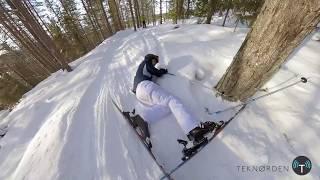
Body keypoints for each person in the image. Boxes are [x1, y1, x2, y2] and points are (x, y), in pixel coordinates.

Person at [132, 54, 217, 142]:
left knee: (167, 106)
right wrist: (161, 71)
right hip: (145, 86)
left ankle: (142, 117)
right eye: (155, 61)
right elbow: (152, 69)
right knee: (172, 100)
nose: (156, 63)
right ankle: (193, 129)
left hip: (140, 94)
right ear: (151, 58)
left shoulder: (141, 73)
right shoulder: (146, 61)